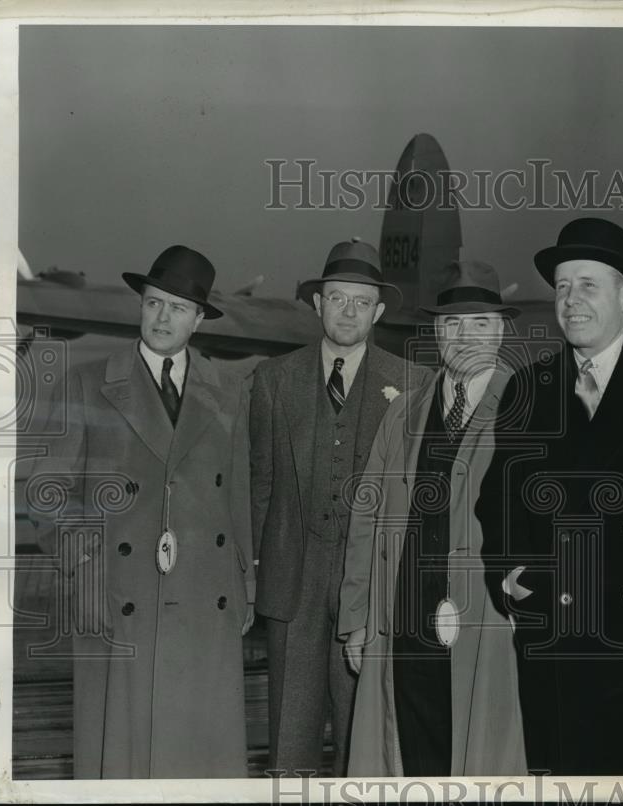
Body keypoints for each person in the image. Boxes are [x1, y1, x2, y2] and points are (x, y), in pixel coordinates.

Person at [476, 218, 623, 775]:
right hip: (551, 648)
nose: (571, 301)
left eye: (588, 284)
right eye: (562, 287)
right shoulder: (529, 387)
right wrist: (508, 578)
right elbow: (498, 502)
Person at [31, 245, 254, 778]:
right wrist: (83, 567)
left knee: (199, 757)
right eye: (154, 303)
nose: (162, 318)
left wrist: (245, 581)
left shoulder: (228, 391)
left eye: (178, 308)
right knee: (124, 757)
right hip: (117, 596)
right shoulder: (88, 382)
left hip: (206, 598)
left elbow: (240, 497)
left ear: (199, 320)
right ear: (141, 306)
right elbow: (48, 493)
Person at [338, 260, 527, 777]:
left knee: (480, 754)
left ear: (502, 330)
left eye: (479, 323)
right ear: (436, 333)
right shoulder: (403, 413)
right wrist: (356, 619)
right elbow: (366, 518)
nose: (464, 336)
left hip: (489, 621)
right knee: (406, 755)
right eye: (451, 324)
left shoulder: (529, 406)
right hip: (401, 619)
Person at [249, 237, 429, 776]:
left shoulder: (415, 385)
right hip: (292, 587)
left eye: (360, 301)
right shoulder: (273, 380)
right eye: (336, 297)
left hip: (373, 589)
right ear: (316, 303)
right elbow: (260, 483)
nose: (347, 310)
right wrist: (256, 571)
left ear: (377, 311)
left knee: (367, 738)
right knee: (290, 743)